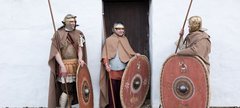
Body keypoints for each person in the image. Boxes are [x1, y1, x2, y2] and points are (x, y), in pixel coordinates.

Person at [48, 14, 87, 108]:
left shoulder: (79, 33)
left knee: (73, 89)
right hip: (65, 64)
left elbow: (80, 49)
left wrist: (80, 59)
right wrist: (62, 66)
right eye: (71, 21)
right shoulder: (58, 34)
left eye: (74, 21)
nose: (73, 23)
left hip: (76, 65)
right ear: (65, 22)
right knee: (66, 89)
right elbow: (56, 52)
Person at [99, 22, 140, 108]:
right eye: (118, 29)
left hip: (123, 70)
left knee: (123, 91)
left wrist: (135, 54)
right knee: (113, 91)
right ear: (114, 30)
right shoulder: (109, 40)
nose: (121, 31)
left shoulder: (125, 39)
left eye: (122, 29)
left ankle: (122, 106)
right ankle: (113, 106)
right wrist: (106, 65)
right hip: (113, 70)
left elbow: (129, 52)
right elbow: (105, 55)